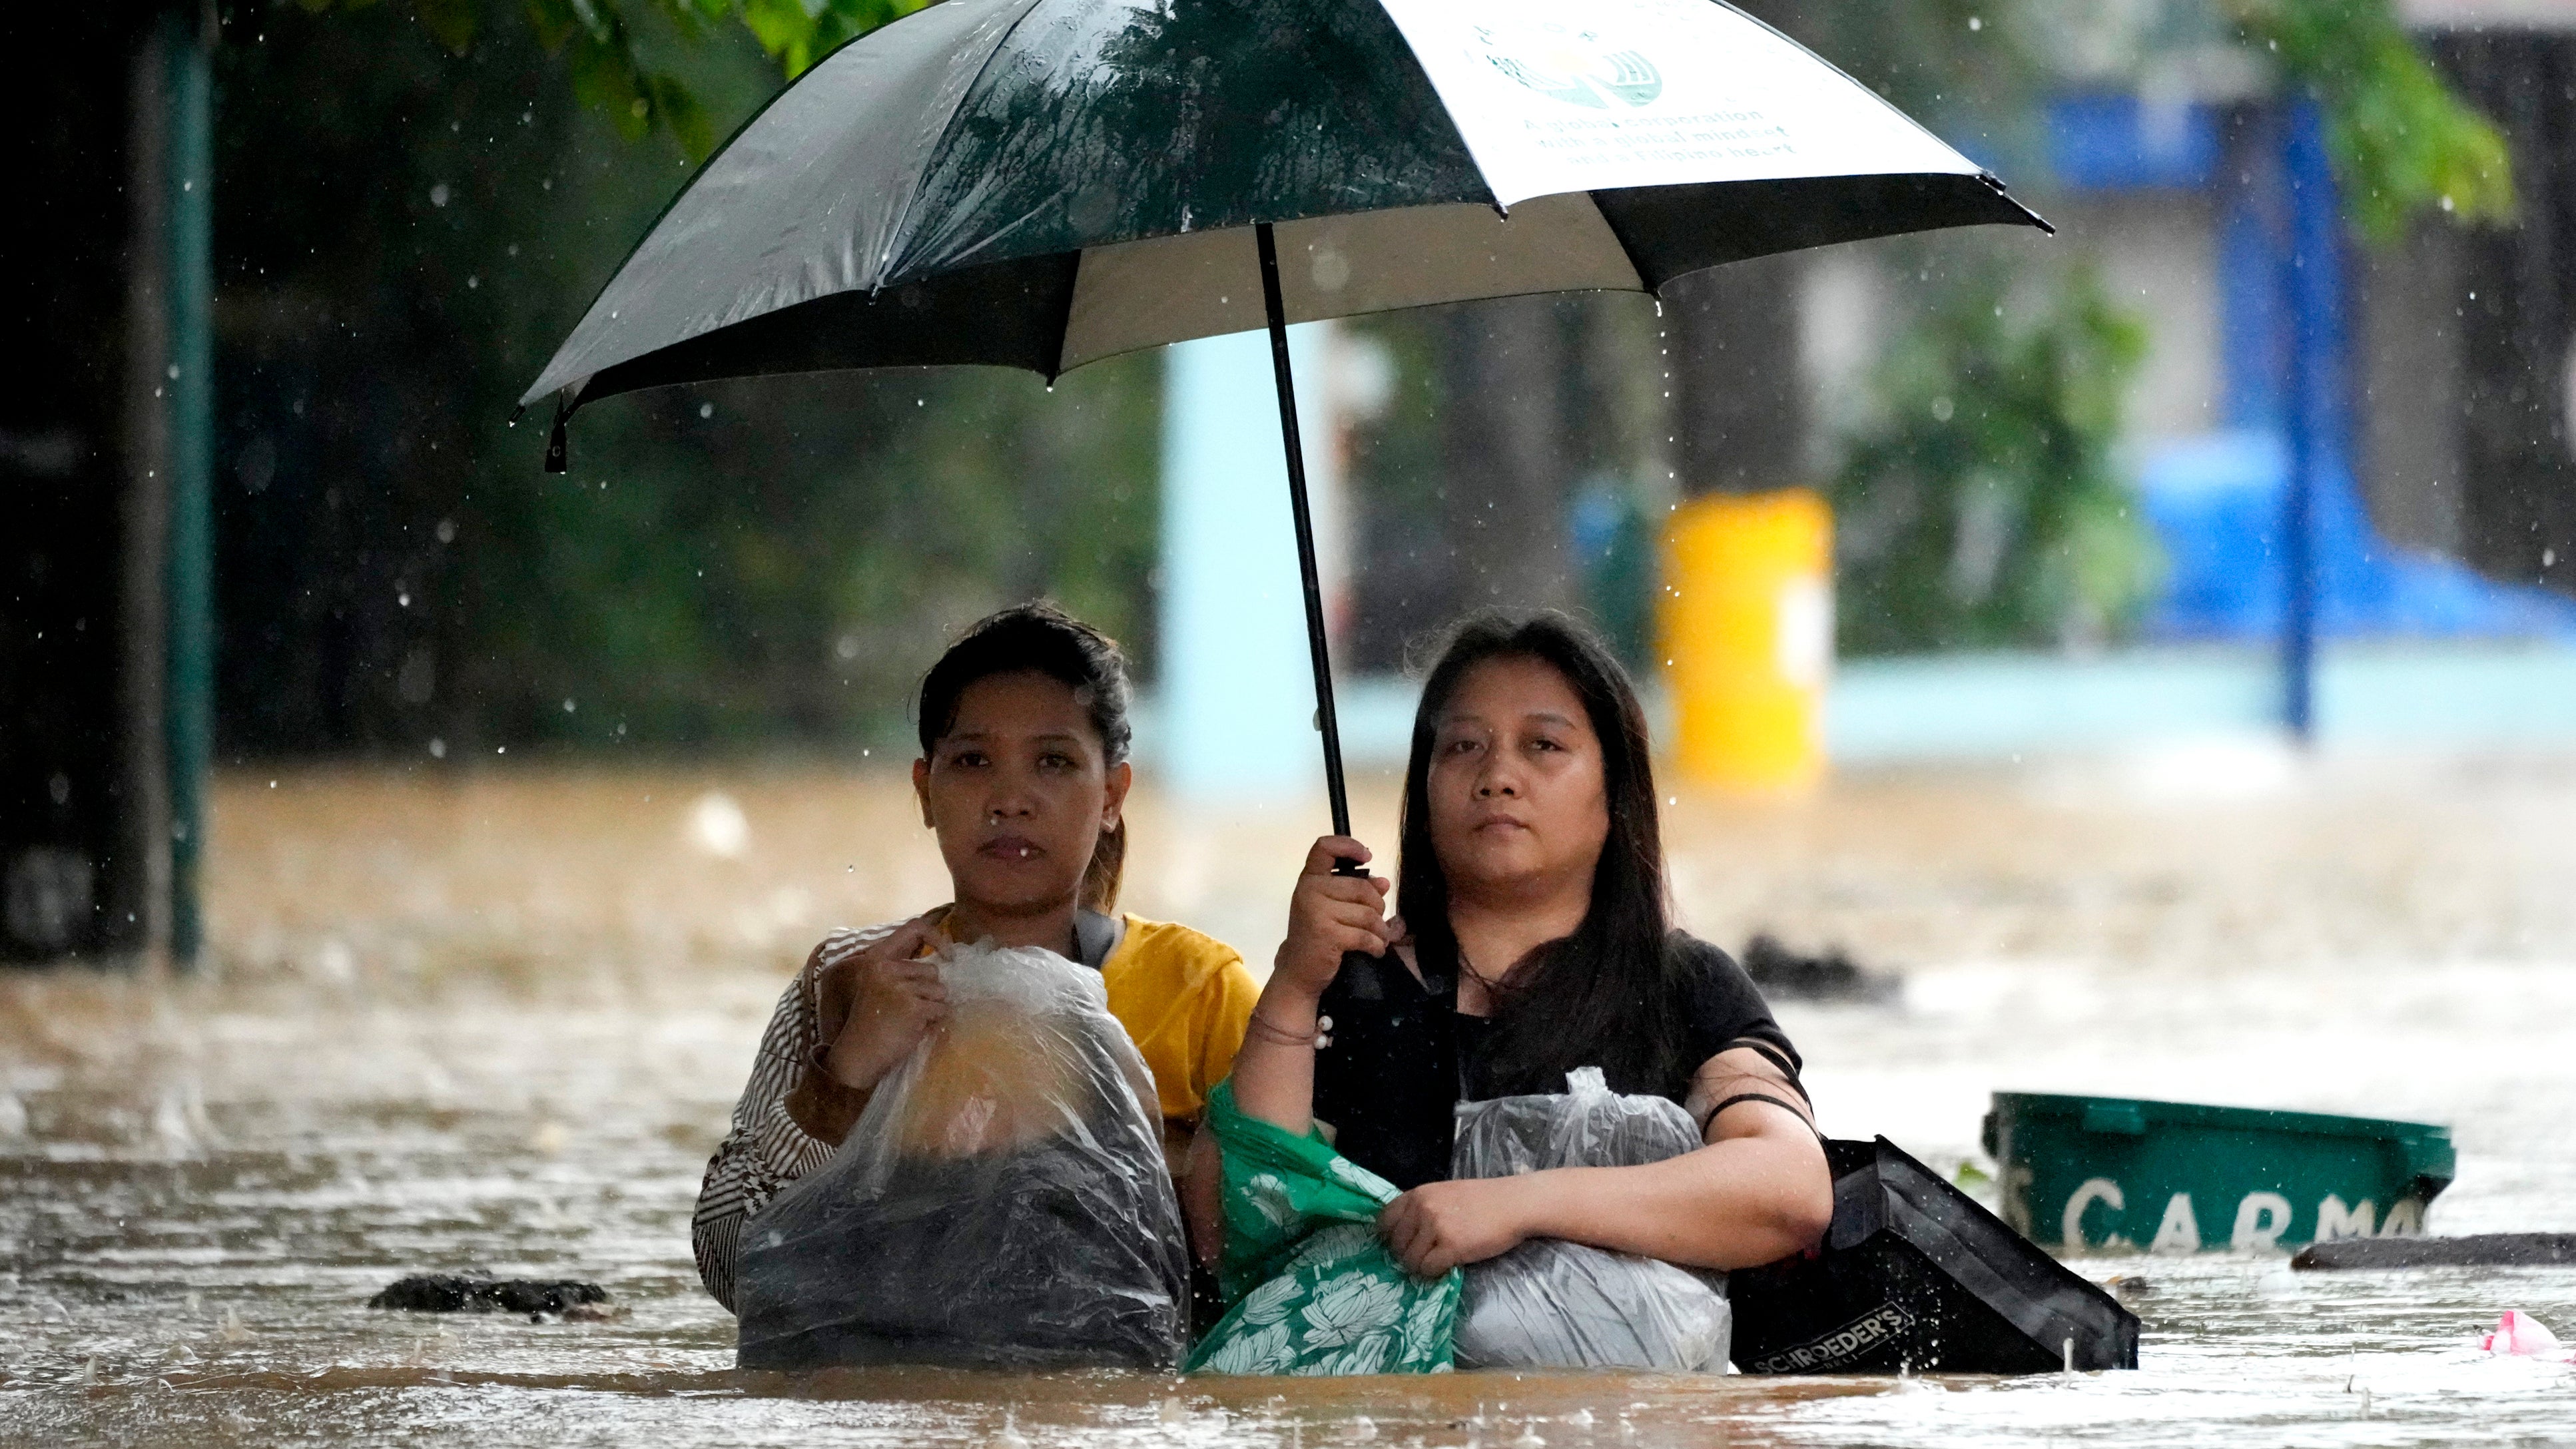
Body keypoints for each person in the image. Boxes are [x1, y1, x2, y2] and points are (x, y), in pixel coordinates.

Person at [1225, 611, 1833, 1283]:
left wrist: (1519, 1205)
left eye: (1543, 745)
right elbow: (1237, 1224)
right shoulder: (1351, 990)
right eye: (1462, 747)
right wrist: (1294, 981)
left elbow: (1791, 1188)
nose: (1497, 776)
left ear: (1616, 794)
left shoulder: (1680, 985)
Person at [692, 603, 1259, 1312]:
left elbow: (1274, 1260)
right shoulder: (850, 980)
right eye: (972, 761)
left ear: (1112, 795)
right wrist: (845, 1076)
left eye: (1053, 762)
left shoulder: (1200, 989)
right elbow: (729, 1267)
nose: (1010, 799)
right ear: (926, 791)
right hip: (897, 1410)